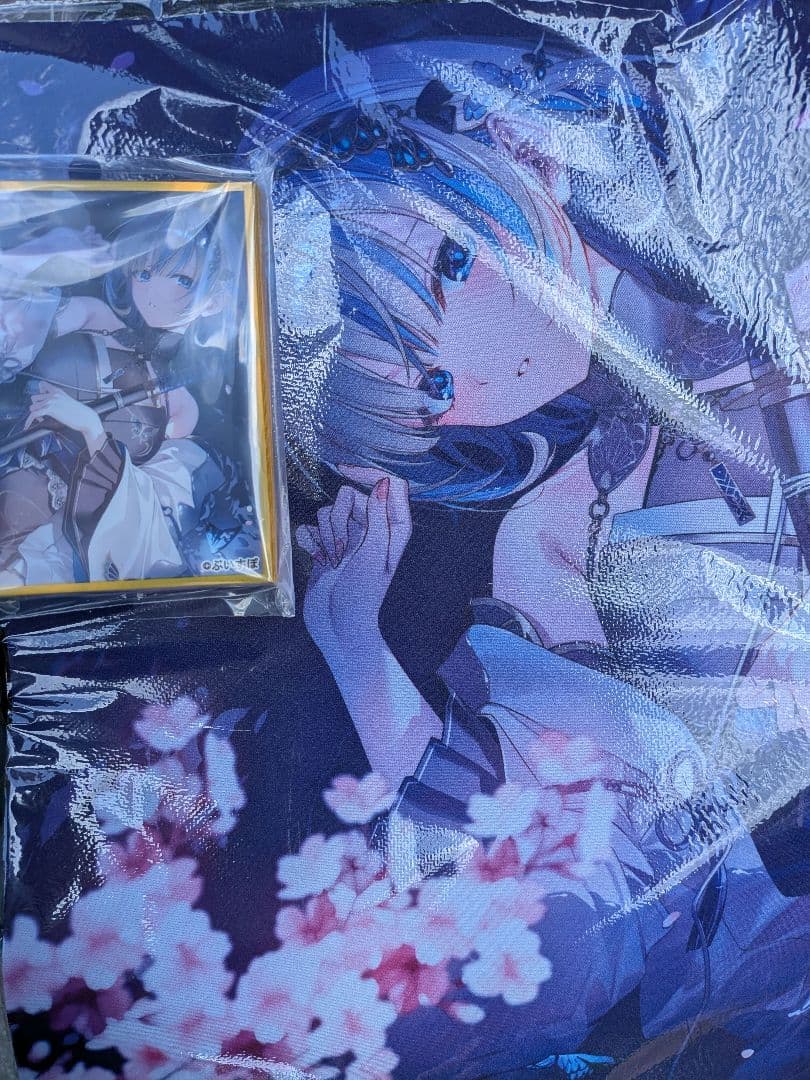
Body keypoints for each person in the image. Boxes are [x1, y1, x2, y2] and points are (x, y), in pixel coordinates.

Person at [284, 30, 810, 1073]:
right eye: (435, 390)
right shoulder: (553, 528)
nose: (487, 365)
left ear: (507, 148)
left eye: (453, 261)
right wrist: (357, 652)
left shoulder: (733, 205)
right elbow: (577, 855)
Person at [0, 201, 257, 588]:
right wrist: (49, 250)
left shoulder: (180, 406)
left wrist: (91, 428)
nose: (153, 294)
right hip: (15, 469)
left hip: (68, 532)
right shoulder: (96, 316)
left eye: (182, 281)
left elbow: (146, 506)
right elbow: (17, 328)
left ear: (216, 300)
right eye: (144, 273)